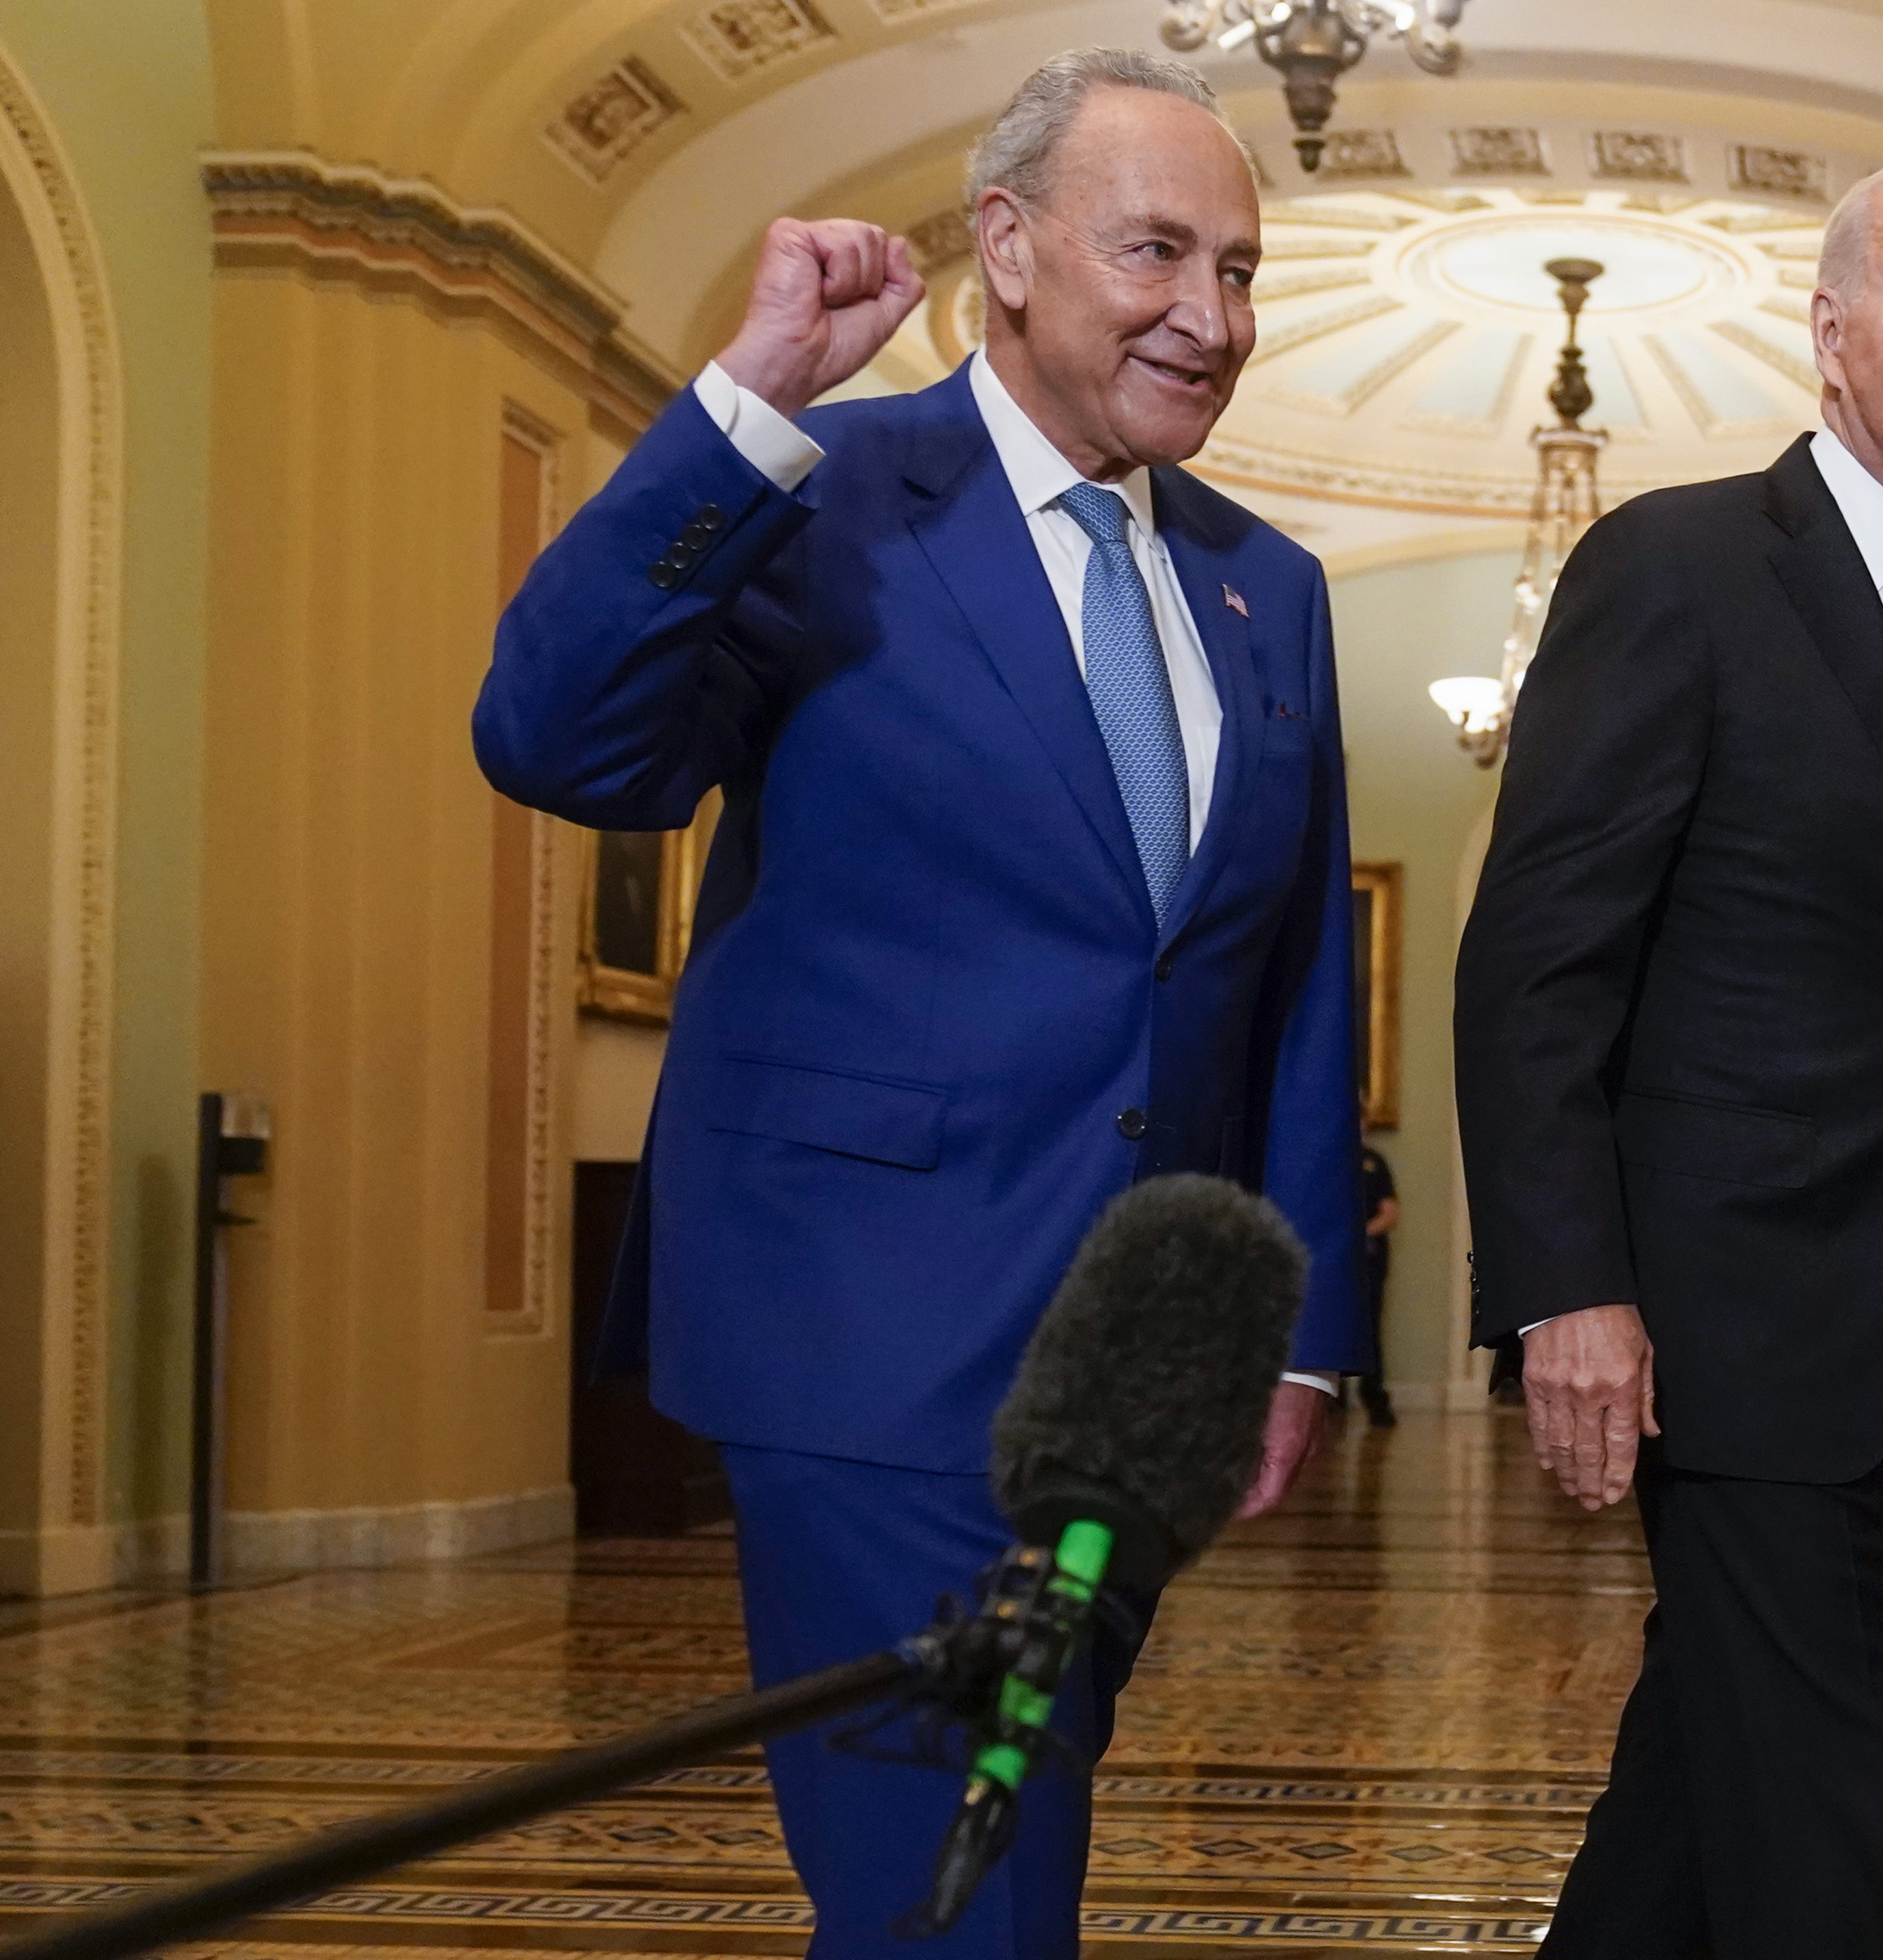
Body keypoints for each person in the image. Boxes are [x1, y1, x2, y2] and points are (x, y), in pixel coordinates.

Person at [475, 50, 1367, 1959]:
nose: (1211, 317)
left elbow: (1293, 977)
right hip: (863, 1328)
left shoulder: (1266, 587)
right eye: (1155, 252)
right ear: (1007, 247)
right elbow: (555, 739)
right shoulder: (826, 491)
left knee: (979, 1865)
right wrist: (749, 404)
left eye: (1237, 269)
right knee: (956, 1886)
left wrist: (1295, 1341)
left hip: (1133, 1373)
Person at [1455, 147, 1883, 1959]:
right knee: (1834, 1791)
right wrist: (1565, 1288)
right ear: (1828, 331)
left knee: (1697, 1781)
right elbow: (1536, 964)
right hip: (1714, 1321)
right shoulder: (1678, 566)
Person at [1360, 1129, 1400, 1426]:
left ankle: (1374, 1397)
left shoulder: (1375, 1163)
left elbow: (1390, 1214)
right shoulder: (1328, 1160)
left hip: (1369, 1257)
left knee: (1370, 1328)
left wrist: (1358, 1234)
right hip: (1331, 1260)